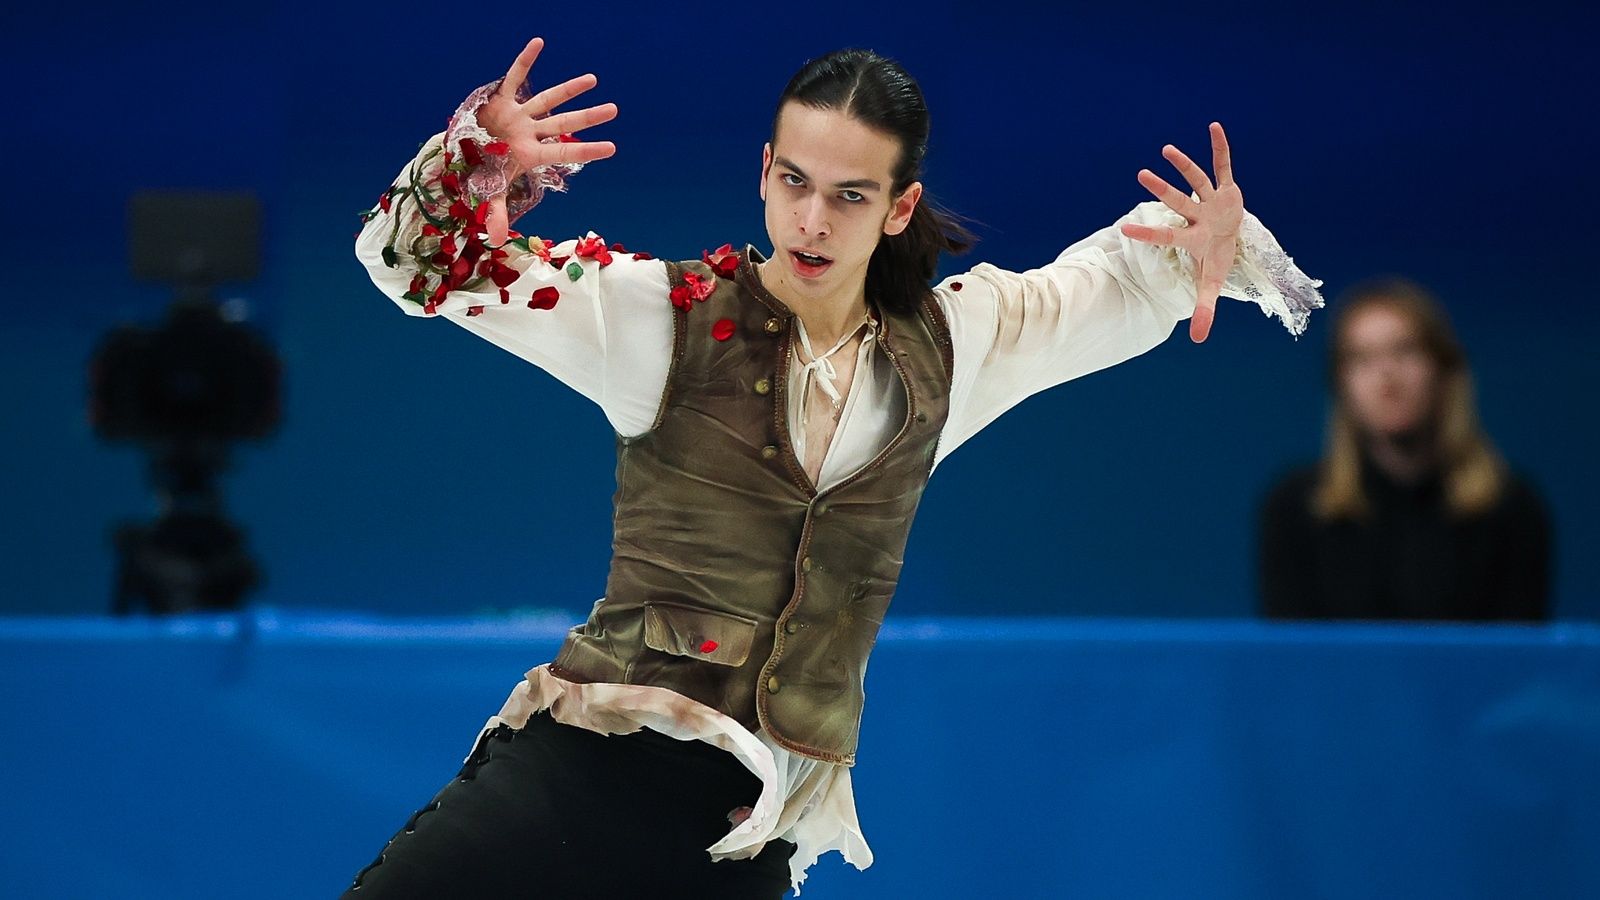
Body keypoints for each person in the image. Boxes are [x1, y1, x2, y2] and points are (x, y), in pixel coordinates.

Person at [348, 35, 1324, 897]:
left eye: (850, 195)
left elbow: (1106, 282)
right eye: (795, 183)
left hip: (740, 840)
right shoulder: (658, 316)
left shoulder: (952, 348)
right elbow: (412, 263)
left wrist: (1199, 246)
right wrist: (474, 158)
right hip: (581, 777)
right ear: (765, 173)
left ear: (900, 207)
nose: (813, 220)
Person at [1257, 276, 1551, 621]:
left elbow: (1515, 649)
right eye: (1362, 358)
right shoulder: (1297, 509)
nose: (1387, 377)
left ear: (1443, 369)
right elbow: (1293, 648)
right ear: (1340, 384)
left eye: (1405, 351)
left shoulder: (1510, 510)